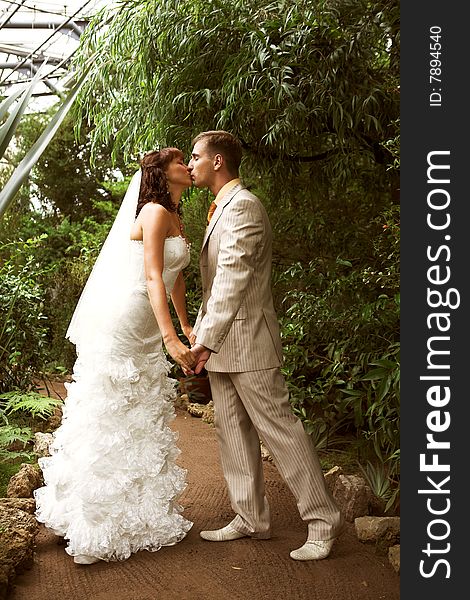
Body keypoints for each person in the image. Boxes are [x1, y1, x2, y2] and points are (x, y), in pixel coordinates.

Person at [187, 130, 344, 561]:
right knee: (232, 434)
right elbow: (212, 287)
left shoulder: (244, 207)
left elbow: (233, 279)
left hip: (249, 341)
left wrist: (203, 342)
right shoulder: (220, 209)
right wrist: (202, 339)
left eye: (196, 157)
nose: (191, 164)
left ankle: (323, 520)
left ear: (218, 162)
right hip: (222, 345)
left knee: (281, 433)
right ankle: (250, 517)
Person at [34, 148, 196, 565]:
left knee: (138, 416)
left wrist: (187, 324)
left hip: (150, 319)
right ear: (162, 173)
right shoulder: (156, 212)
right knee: (109, 413)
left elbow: (175, 278)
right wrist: (170, 339)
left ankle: (138, 516)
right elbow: (153, 274)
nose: (188, 167)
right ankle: (90, 524)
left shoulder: (175, 216)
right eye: (180, 162)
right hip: (128, 321)